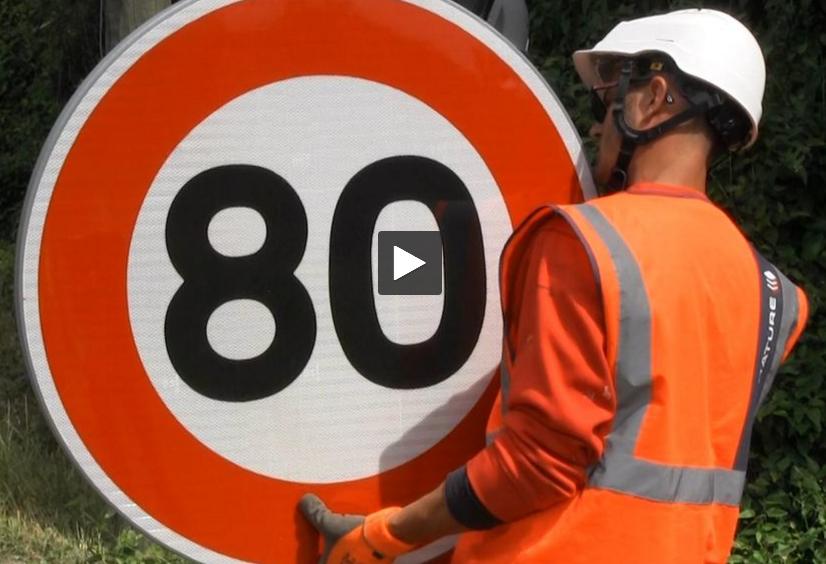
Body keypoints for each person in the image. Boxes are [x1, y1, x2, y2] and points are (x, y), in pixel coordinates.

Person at [299, 8, 810, 563]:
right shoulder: (776, 295)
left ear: (654, 98)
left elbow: (536, 465)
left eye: (606, 101)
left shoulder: (584, 242)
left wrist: (387, 535)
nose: (596, 126)